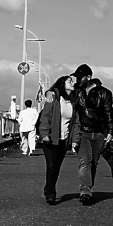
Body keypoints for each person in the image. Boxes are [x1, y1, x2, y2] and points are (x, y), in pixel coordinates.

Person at [70, 63, 113, 205]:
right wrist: (51, 92)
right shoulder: (77, 91)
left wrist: (110, 131)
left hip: (99, 133)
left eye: (80, 77)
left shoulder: (104, 93)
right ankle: (85, 191)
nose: (78, 79)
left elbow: (108, 113)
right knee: (84, 162)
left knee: (93, 163)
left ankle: (88, 189)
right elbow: (62, 92)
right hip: (83, 132)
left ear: (89, 77)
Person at [38, 74, 76, 205]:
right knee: (52, 165)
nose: (72, 83)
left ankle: (48, 187)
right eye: (69, 81)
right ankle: (51, 193)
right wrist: (44, 134)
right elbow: (45, 115)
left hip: (64, 139)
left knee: (57, 167)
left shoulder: (73, 100)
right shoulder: (53, 96)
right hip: (51, 138)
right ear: (62, 84)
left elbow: (74, 121)